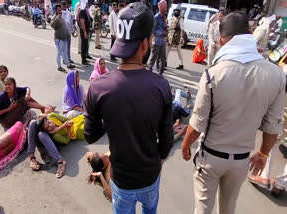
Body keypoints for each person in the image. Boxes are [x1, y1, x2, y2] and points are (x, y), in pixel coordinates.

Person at [181, 12, 285, 214]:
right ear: (249, 32)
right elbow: (273, 124)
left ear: (222, 39)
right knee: (228, 209)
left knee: (202, 210)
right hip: (241, 160)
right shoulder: (275, 75)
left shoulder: (214, 73)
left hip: (210, 157)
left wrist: (185, 146)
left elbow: (198, 122)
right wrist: (263, 153)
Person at [84, 3, 173, 213]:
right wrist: (158, 162)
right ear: (144, 44)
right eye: (150, 38)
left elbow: (90, 135)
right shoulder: (161, 85)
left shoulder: (98, 87)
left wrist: (111, 115)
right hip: (150, 175)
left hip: (121, 178)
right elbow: (167, 140)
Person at [51, 4, 75, 72]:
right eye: (58, 10)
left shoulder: (62, 17)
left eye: (60, 10)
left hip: (64, 38)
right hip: (59, 38)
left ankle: (68, 64)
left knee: (65, 52)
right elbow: (52, 25)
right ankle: (59, 66)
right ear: (56, 10)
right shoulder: (55, 17)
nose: (60, 12)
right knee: (59, 52)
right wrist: (57, 19)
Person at [148, 0, 168, 75]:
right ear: (161, 8)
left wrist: (166, 27)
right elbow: (153, 30)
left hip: (163, 41)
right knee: (153, 59)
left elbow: (164, 27)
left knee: (163, 59)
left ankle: (160, 74)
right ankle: (149, 74)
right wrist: (163, 33)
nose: (166, 9)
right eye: (165, 7)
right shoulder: (156, 17)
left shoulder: (164, 17)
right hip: (156, 41)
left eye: (166, 7)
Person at [167, 5, 184, 70]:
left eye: (177, 10)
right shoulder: (173, 17)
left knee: (179, 51)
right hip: (171, 35)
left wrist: (181, 37)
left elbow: (182, 29)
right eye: (175, 10)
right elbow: (170, 27)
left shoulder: (181, 19)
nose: (176, 11)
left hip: (177, 36)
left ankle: (181, 64)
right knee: (167, 49)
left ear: (179, 11)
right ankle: (164, 62)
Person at [78, 0, 92, 65]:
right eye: (86, 3)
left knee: (86, 44)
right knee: (84, 45)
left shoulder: (86, 11)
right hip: (84, 31)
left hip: (87, 30)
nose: (88, 4)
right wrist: (85, 32)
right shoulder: (82, 11)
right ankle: (83, 60)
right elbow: (82, 22)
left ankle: (85, 56)